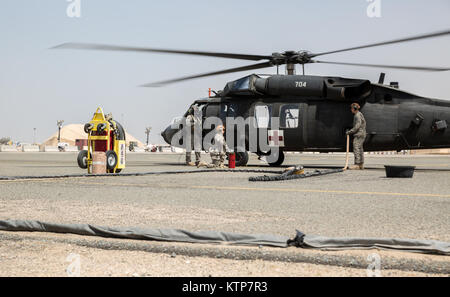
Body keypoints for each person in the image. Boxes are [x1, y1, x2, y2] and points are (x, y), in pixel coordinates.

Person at [346, 103, 366, 170]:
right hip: (362, 133)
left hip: (359, 134)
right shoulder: (360, 114)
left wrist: (350, 132)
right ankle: (361, 164)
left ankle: (357, 164)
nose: (351, 110)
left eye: (351, 108)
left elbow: (357, 126)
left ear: (354, 109)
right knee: (360, 148)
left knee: (356, 148)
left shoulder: (357, 115)